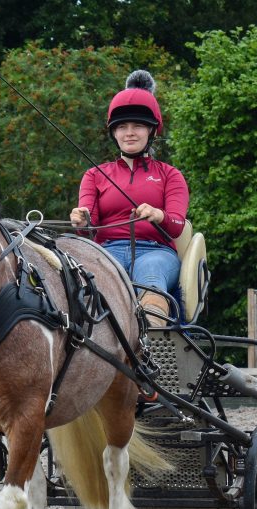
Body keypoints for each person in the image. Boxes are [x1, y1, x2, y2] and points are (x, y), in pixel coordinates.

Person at [70, 70, 189, 321]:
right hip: (106, 251)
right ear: (114, 134)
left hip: (156, 251)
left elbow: (177, 226)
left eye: (138, 126)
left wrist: (158, 215)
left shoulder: (170, 175)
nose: (129, 133)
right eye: (122, 127)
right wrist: (82, 221)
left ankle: (154, 335)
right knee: (90, 273)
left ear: (151, 131)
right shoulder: (95, 175)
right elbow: (87, 229)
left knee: (150, 269)